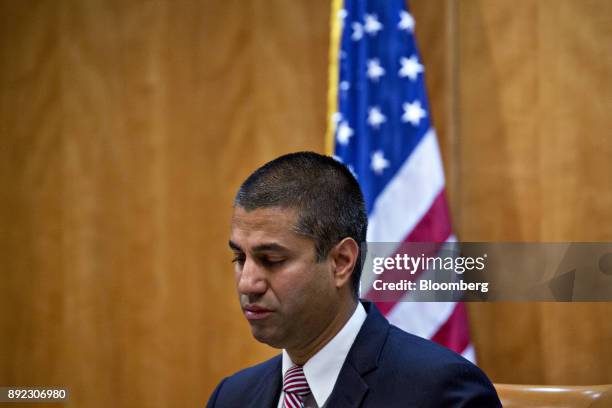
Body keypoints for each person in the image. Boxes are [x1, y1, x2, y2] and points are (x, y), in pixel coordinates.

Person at [207, 152, 501, 408]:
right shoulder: (232, 397)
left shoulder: (441, 392)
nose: (247, 283)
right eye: (240, 259)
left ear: (341, 261)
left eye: (272, 260)